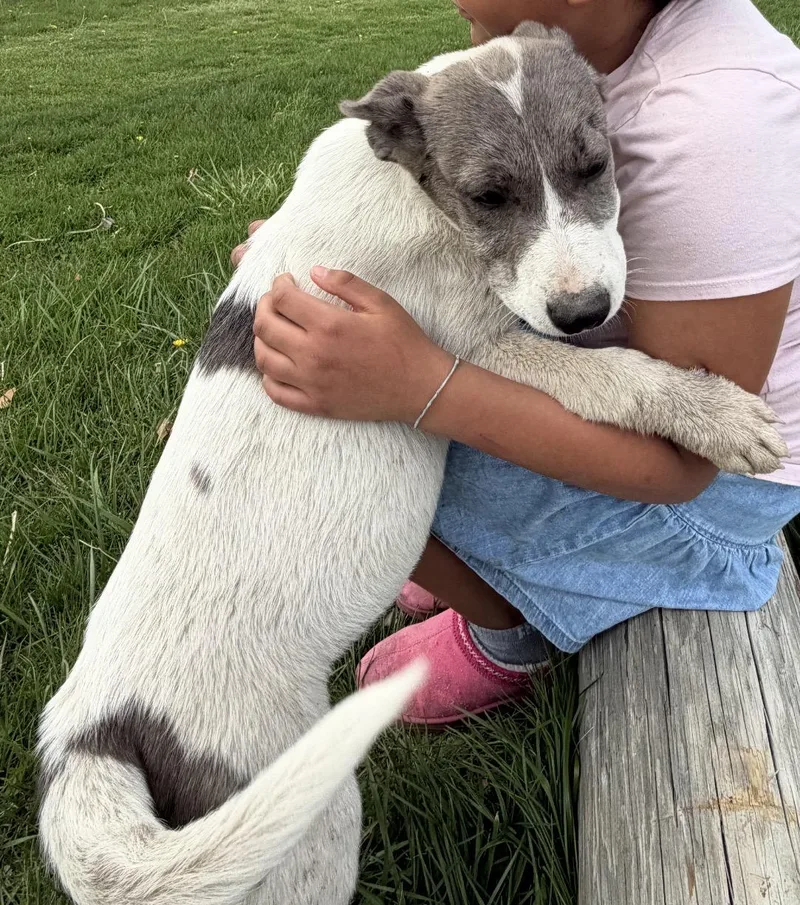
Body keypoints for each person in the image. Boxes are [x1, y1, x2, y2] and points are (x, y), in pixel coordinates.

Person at [232, 0, 800, 725]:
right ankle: (481, 564)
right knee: (321, 367)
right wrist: (309, 254)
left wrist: (420, 387)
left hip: (709, 504)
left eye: (591, 166)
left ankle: (511, 628)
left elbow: (682, 465)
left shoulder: (718, 117)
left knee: (334, 448)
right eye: (495, 196)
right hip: (640, 422)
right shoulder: (553, 62)